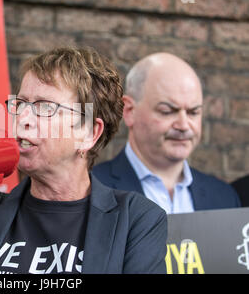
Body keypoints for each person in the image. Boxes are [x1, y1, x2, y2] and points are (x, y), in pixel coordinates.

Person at [0, 46, 167, 274]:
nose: (23, 118)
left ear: (88, 133)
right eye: (21, 104)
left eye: (45, 107)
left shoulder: (137, 220)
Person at [93, 53, 241, 214]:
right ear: (129, 111)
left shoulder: (224, 198)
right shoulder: (91, 191)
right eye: (167, 111)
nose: (183, 125)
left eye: (193, 112)